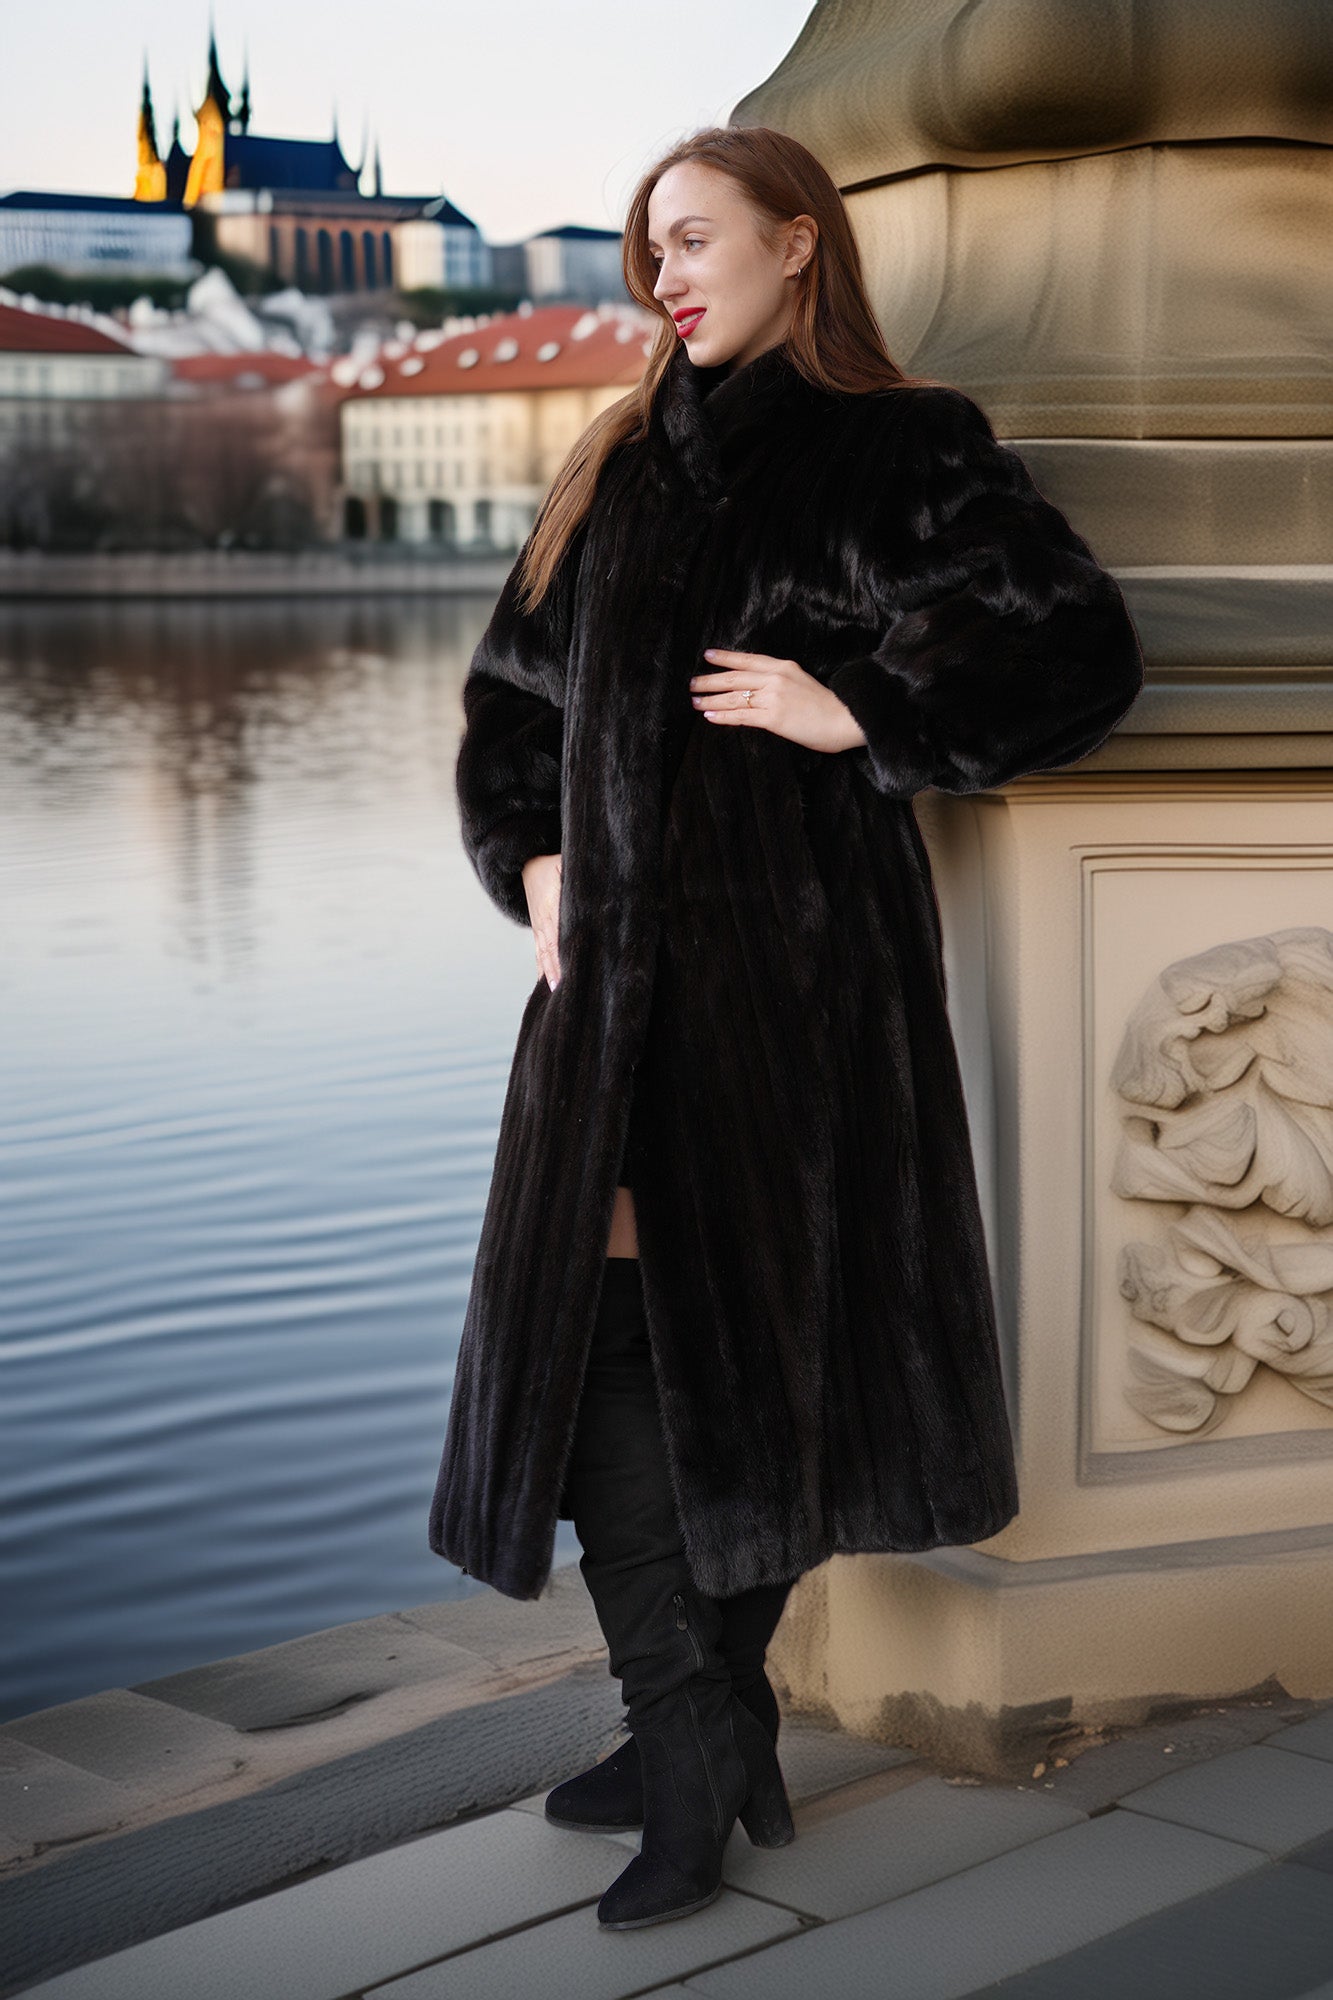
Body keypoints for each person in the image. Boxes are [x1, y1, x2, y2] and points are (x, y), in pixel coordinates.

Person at [433, 125, 1144, 1931]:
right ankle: (699, 1720)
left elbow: (1075, 652)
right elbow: (506, 710)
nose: (662, 278)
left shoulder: (897, 449)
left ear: (798, 246)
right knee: (596, 1342)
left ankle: (684, 1745)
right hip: (601, 1009)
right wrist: (529, 868)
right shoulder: (609, 460)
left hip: (794, 1000)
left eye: (690, 240)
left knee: (755, 1369)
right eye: (642, 254)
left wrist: (861, 715)